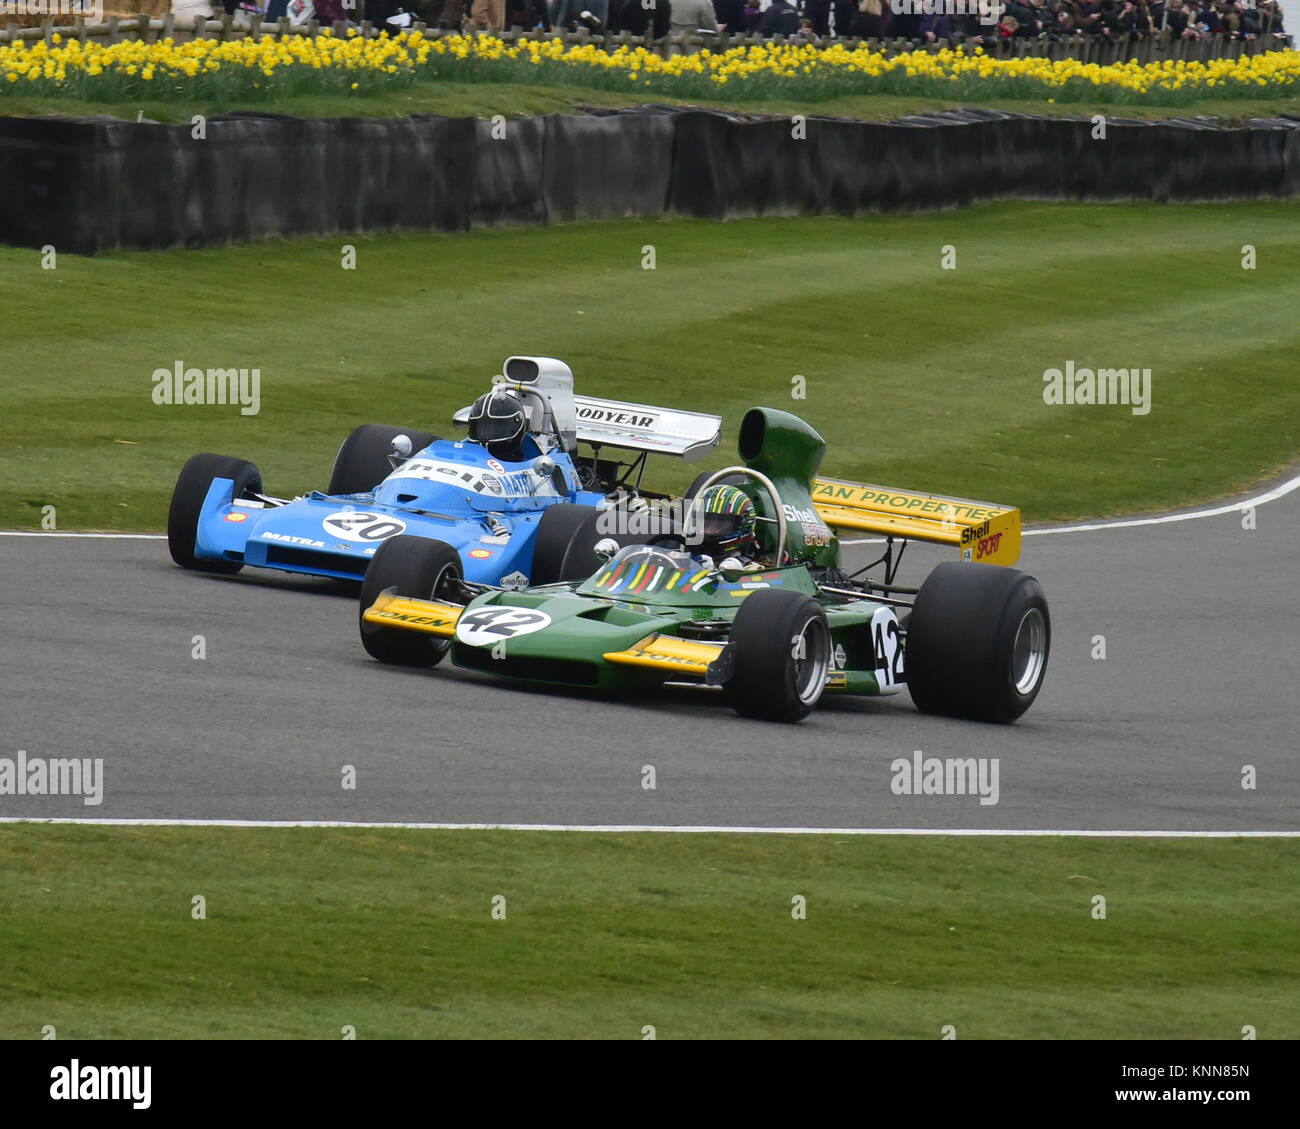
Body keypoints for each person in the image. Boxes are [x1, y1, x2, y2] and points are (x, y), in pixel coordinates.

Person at [692, 484, 759, 567]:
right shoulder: (684, 555)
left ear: (743, 525)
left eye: (720, 525)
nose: (708, 531)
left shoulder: (753, 570)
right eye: (705, 524)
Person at [466, 390, 531, 463]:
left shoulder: (533, 466)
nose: (486, 436)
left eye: (494, 429)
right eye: (482, 429)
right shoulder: (465, 453)